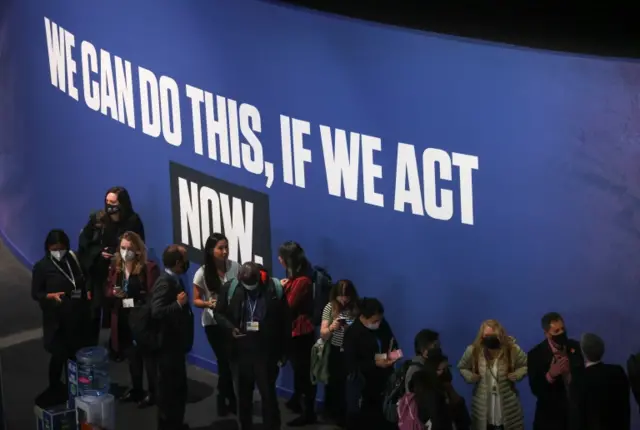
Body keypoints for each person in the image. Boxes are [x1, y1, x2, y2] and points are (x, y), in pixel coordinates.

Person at [216, 262, 290, 430]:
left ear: (260, 278)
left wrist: (284, 352)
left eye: (253, 285)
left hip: (266, 353)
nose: (250, 289)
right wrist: (230, 328)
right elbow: (218, 313)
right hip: (241, 352)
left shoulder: (274, 290)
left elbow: (286, 321)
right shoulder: (231, 288)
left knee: (268, 397)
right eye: (246, 285)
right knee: (243, 398)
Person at [78, 186, 145, 352]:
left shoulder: (133, 221)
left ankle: (118, 348)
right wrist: (99, 253)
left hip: (122, 273)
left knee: (119, 311)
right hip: (99, 273)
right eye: (107, 202)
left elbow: (139, 246)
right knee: (95, 310)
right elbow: (84, 243)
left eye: (113, 202)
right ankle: (91, 347)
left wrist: (119, 256)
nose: (109, 205)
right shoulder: (98, 219)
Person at [31, 229, 91, 405]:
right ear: (48, 248)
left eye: (61, 247)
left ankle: (73, 386)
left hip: (75, 317)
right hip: (56, 321)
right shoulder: (42, 267)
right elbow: (36, 293)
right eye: (55, 248)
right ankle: (55, 386)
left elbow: (80, 280)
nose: (59, 251)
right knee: (58, 355)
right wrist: (50, 297)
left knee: (73, 356)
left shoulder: (72, 259)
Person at [105, 231, 160, 408]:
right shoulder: (116, 267)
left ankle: (153, 394)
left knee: (149, 360)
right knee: (132, 357)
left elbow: (152, 297)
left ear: (137, 250)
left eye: (129, 248)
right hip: (122, 318)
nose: (125, 252)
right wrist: (113, 293)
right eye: (122, 248)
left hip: (143, 321)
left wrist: (133, 301)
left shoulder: (148, 268)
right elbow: (107, 289)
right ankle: (136, 389)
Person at [192, 233, 239, 416]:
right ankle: (228, 399)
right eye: (221, 248)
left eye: (226, 247)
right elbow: (196, 300)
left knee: (229, 362)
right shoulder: (202, 273)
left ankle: (225, 398)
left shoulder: (235, 267)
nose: (225, 251)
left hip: (232, 322)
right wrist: (208, 303)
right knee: (224, 360)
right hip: (213, 323)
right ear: (211, 251)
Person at [151, 245, 194, 430]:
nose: (187, 263)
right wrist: (177, 304)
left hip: (175, 346)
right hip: (168, 347)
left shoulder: (173, 279)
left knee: (177, 389)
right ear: (178, 263)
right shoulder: (165, 282)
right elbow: (157, 311)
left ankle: (175, 423)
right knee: (170, 391)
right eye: (184, 259)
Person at [457, 319, 527, 430]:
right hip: (483, 403)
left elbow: (526, 365)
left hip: (507, 403)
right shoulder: (474, 350)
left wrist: (518, 374)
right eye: (487, 335)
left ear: (500, 334)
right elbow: (462, 367)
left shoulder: (512, 349)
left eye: (493, 335)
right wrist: (470, 376)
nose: (490, 338)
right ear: (482, 335)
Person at [343, 297, 399, 430]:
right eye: (375, 321)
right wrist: (375, 363)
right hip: (363, 385)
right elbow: (351, 364)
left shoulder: (383, 325)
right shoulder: (352, 334)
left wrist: (392, 356)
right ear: (363, 317)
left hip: (384, 383)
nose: (378, 323)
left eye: (380, 319)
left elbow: (393, 345)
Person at [278, 241, 316, 426]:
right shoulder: (295, 276)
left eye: (281, 258)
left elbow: (289, 305)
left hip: (301, 334)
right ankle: (297, 400)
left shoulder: (302, 281)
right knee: (298, 370)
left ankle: (308, 412)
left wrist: (279, 290)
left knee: (304, 372)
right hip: (294, 332)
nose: (279, 260)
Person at [527, 312, 584, 430]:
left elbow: (585, 377)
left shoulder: (576, 347)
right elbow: (535, 389)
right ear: (547, 334)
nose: (561, 333)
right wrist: (550, 375)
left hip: (577, 416)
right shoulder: (535, 355)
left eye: (563, 329)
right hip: (550, 420)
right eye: (556, 331)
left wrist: (570, 373)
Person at [319, 279, 359, 426]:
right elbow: (322, 333)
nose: (343, 300)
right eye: (341, 296)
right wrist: (332, 327)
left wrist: (350, 327)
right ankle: (330, 413)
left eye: (347, 296)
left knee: (346, 385)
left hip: (350, 350)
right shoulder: (330, 307)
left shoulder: (355, 308)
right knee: (333, 383)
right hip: (334, 350)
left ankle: (344, 414)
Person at [572, 333, 630, 430]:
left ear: (583, 353)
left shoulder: (579, 379)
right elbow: (625, 409)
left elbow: (578, 416)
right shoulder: (618, 371)